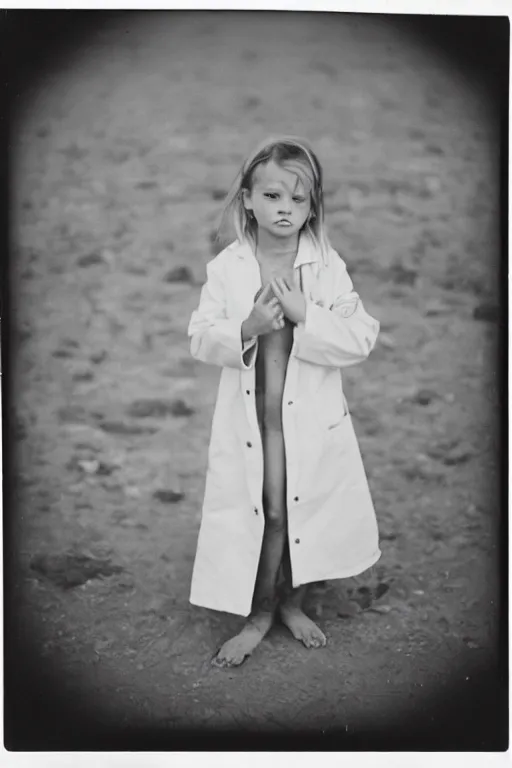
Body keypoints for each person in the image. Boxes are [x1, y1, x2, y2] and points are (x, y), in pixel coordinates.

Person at [188, 136, 381, 668]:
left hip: (310, 426)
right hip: (256, 425)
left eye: (299, 200)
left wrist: (306, 316)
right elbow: (200, 336)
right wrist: (246, 327)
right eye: (272, 196)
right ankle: (259, 613)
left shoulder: (326, 267)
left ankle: (294, 603)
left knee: (304, 512)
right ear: (247, 199)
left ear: (313, 205)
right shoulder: (228, 267)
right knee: (270, 512)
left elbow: (361, 336)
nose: (285, 210)